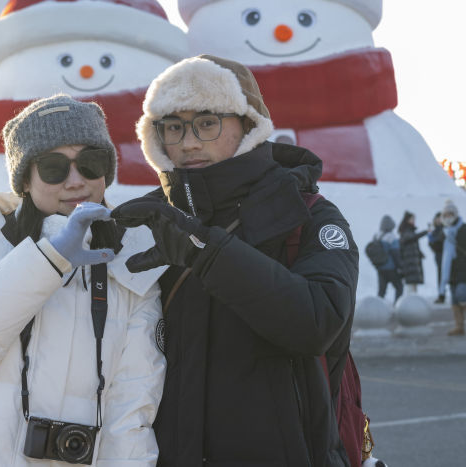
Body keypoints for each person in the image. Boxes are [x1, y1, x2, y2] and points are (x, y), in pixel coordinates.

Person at [111, 55, 360, 466]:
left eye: (207, 122)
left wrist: (203, 252)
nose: (189, 142)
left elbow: (318, 322)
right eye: (173, 126)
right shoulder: (146, 221)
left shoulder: (308, 213)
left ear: (248, 125)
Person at [0, 94, 165, 466]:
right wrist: (51, 258)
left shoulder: (133, 259)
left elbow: (133, 406)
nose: (76, 180)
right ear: (25, 181)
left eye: (91, 162)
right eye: (53, 168)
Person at [440, 201, 466, 336]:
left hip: (464, 268)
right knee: (454, 298)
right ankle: (459, 326)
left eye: (450, 214)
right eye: (445, 215)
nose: (448, 217)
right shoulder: (444, 232)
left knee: (461, 293)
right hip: (450, 270)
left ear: (455, 214)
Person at [373, 215, 403, 301]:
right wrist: (401, 267)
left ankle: (378, 309)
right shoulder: (391, 237)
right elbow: (396, 254)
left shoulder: (377, 236)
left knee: (381, 291)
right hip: (391, 268)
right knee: (399, 287)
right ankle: (397, 307)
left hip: (380, 268)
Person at [397, 211, 427, 295]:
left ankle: (414, 302)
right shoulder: (406, 231)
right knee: (410, 285)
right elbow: (411, 238)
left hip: (413, 262)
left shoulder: (410, 231)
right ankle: (410, 304)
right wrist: (425, 232)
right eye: (412, 219)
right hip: (409, 263)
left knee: (414, 284)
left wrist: (420, 253)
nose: (414, 221)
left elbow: (412, 244)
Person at [428, 212, 446, 303]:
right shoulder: (435, 230)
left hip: (445, 255)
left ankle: (443, 294)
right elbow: (432, 245)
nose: (438, 220)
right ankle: (441, 295)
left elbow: (438, 243)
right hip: (439, 256)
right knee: (440, 276)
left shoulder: (444, 229)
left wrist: (433, 241)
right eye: (437, 218)